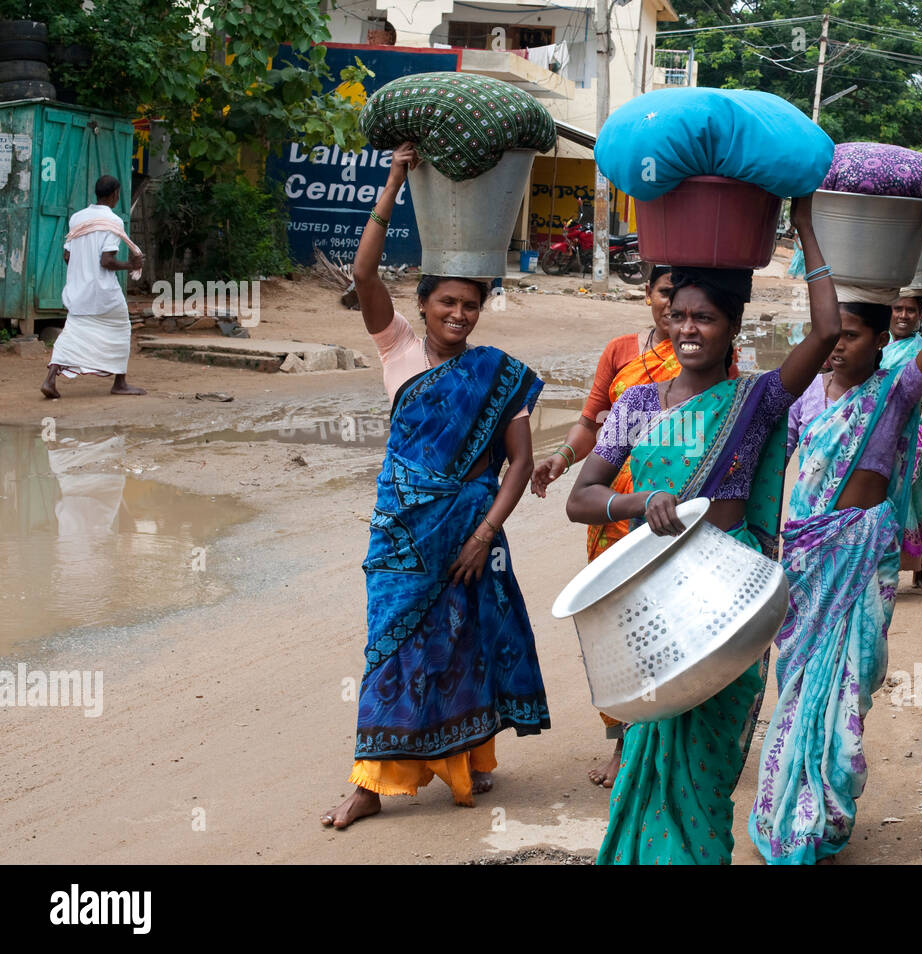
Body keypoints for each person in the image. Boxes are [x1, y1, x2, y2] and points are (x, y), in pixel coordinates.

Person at [564, 195, 840, 865]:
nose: (689, 329)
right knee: (650, 755)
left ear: (733, 327)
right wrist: (641, 504)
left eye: (705, 318)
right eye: (678, 315)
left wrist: (801, 225)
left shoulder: (757, 400)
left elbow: (828, 330)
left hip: (727, 598)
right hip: (656, 596)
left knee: (706, 772)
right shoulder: (635, 405)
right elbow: (581, 498)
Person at [321, 143, 549, 829]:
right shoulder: (398, 349)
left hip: (469, 536)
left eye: (470, 305)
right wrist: (392, 181)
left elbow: (518, 464)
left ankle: (465, 763)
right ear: (421, 305)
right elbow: (364, 271)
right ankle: (371, 781)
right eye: (447, 302)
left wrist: (484, 535)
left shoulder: (499, 374)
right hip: (401, 533)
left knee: (461, 642)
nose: (459, 315)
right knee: (387, 642)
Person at [748, 191, 922, 865]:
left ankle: (827, 808)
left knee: (849, 687)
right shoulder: (804, 394)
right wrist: (806, 227)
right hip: (807, 563)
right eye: (832, 334)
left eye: (854, 335)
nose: (839, 345)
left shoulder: (895, 392)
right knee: (797, 688)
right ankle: (789, 814)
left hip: (861, 557)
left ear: (880, 340)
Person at [532, 264, 732, 790]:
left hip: (676, 516)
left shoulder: (716, 371)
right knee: (620, 631)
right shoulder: (622, 352)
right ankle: (625, 737)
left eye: (691, 308)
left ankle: (663, 740)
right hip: (615, 511)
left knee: (670, 632)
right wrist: (560, 458)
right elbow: (593, 417)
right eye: (667, 299)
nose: (676, 315)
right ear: (649, 297)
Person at [41, 175, 146, 399]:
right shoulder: (114, 221)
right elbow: (106, 262)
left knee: (72, 332)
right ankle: (120, 382)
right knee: (120, 329)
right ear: (115, 194)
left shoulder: (77, 218)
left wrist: (83, 267)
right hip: (103, 293)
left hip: (78, 291)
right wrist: (131, 264)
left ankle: (50, 379)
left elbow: (67, 255)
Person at [883, 289, 922, 588]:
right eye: (898, 309)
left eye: (910, 310)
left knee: (912, 500)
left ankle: (919, 563)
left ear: (920, 315)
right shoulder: (876, 345)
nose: (903, 315)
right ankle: (880, 565)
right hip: (876, 434)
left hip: (909, 438)